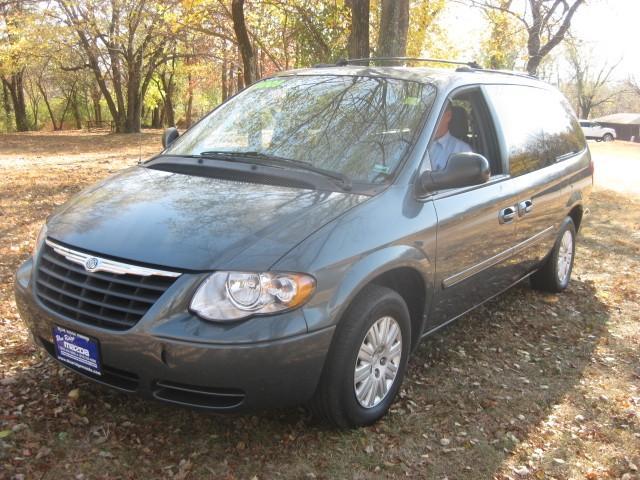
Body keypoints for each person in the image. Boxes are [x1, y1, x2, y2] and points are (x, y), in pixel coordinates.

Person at [428, 102, 473, 171]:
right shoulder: (411, 144)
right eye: (425, 114)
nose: (427, 118)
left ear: (448, 116)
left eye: (432, 113)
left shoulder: (462, 151)